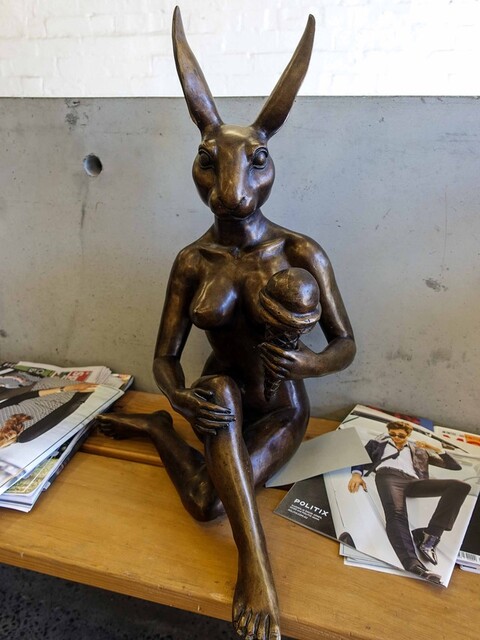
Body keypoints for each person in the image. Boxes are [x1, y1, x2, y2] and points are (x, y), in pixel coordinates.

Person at [97, 9, 355, 640]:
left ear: (266, 168)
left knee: (205, 504)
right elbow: (165, 356)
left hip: (280, 407)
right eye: (212, 165)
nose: (231, 188)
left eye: (252, 163)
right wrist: (177, 395)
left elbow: (345, 344)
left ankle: (158, 433)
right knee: (214, 389)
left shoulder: (300, 253)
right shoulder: (193, 261)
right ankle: (256, 564)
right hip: (219, 401)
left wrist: (308, 364)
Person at [348, 420, 471, 583]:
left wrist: (436, 449)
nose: (396, 438)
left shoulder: (419, 450)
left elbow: (454, 467)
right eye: (392, 434)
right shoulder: (377, 444)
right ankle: (413, 564)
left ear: (408, 435)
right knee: (396, 514)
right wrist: (356, 475)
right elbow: (360, 457)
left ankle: (430, 536)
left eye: (400, 435)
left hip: (414, 482)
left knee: (460, 486)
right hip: (389, 476)